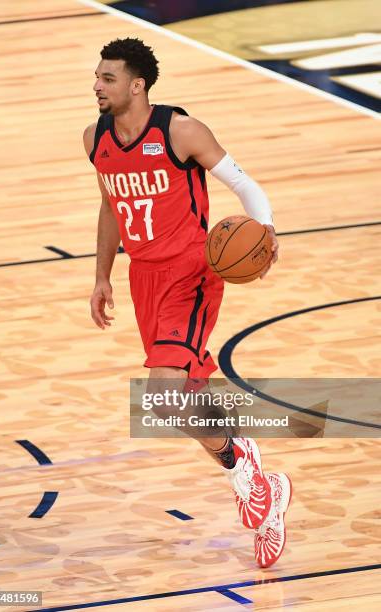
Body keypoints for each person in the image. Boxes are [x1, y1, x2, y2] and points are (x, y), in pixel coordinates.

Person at [83, 37, 291, 568]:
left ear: (137, 85)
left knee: (162, 397)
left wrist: (264, 232)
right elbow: (111, 208)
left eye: (108, 78)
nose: (97, 85)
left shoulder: (181, 131)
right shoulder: (95, 138)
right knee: (186, 400)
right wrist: (102, 275)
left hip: (191, 275)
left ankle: (242, 461)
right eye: (97, 76)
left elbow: (245, 185)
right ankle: (259, 488)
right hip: (143, 280)